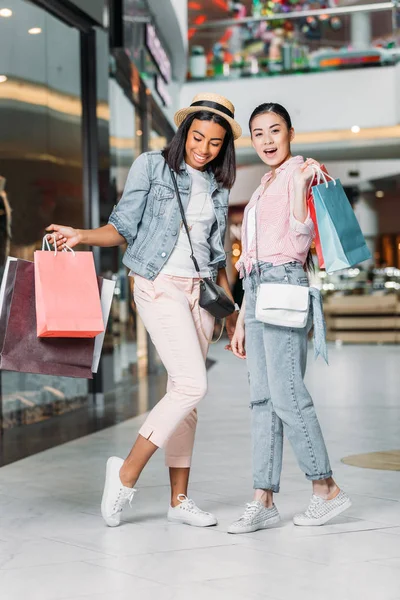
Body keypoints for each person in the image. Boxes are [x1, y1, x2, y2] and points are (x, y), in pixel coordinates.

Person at [47, 93, 241, 528]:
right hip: (156, 284)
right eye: (197, 137)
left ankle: (179, 500)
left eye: (214, 142)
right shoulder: (151, 166)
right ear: (184, 130)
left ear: (224, 145)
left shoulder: (218, 184)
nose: (203, 148)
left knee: (184, 394)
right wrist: (81, 235)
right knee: (193, 384)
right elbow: (122, 227)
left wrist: (235, 313)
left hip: (200, 292)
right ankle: (126, 472)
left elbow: (216, 255)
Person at [228, 102, 351, 533]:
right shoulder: (263, 185)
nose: (266, 140)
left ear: (290, 132)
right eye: (257, 133)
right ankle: (263, 498)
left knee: (287, 395)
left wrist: (300, 186)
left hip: (284, 284)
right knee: (262, 399)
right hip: (258, 291)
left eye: (274, 130)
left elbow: (301, 237)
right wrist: (243, 317)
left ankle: (327, 488)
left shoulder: (302, 173)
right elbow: (250, 261)